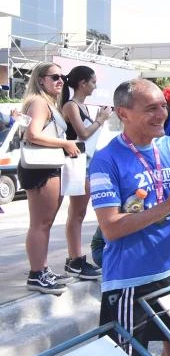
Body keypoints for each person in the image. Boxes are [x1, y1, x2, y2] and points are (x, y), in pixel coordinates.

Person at [89, 79, 170, 356]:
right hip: (129, 281)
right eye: (150, 108)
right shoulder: (106, 159)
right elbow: (111, 227)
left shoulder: (169, 147)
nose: (161, 114)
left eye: (163, 107)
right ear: (123, 113)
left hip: (169, 270)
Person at [19, 63, 83, 294]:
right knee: (40, 223)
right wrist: (66, 143)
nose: (60, 80)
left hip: (48, 165)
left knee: (44, 223)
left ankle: (42, 270)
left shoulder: (47, 103)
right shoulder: (38, 102)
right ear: (40, 80)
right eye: (54, 76)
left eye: (62, 76)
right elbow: (32, 134)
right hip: (41, 168)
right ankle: (37, 274)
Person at [61, 65, 111, 282]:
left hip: (86, 163)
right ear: (82, 83)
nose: (94, 86)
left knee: (79, 213)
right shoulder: (71, 105)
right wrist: (100, 120)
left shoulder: (80, 106)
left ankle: (76, 258)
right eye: (92, 82)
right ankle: (75, 259)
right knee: (77, 213)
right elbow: (82, 134)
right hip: (77, 163)